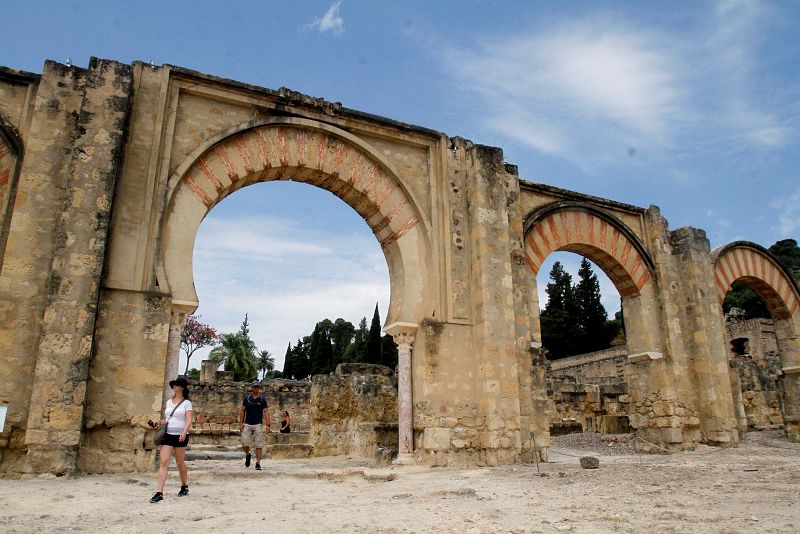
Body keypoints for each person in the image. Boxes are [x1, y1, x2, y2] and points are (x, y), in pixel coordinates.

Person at [149, 376, 193, 503]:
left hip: (180, 435)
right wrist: (158, 422)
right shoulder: (169, 402)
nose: (174, 386)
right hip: (167, 434)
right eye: (174, 385)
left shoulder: (186, 403)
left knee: (180, 462)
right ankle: (159, 492)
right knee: (164, 462)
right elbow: (168, 419)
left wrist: (184, 432)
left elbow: (188, 419)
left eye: (177, 385)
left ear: (182, 388)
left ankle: (184, 485)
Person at [240, 380, 270, 470]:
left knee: (259, 445)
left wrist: (268, 425)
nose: (256, 388)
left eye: (257, 387)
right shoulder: (247, 399)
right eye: (254, 387)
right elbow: (242, 411)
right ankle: (248, 454)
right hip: (247, 423)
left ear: (259, 388)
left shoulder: (262, 399)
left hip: (258, 424)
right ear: (252, 388)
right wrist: (241, 423)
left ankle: (258, 463)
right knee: (244, 443)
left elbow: (266, 412)